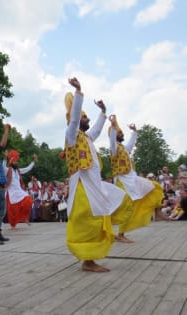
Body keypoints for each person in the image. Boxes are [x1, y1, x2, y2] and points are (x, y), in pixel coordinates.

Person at [64, 77, 127, 272]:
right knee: (90, 221)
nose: (87, 120)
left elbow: (98, 130)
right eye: (85, 117)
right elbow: (74, 119)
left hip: (94, 185)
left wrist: (103, 113)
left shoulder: (87, 137)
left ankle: (89, 259)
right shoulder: (72, 134)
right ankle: (87, 261)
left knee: (101, 216)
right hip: (82, 186)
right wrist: (79, 92)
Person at [108, 115, 164, 242]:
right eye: (120, 133)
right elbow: (112, 141)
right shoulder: (114, 149)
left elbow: (131, 144)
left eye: (122, 132)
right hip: (122, 180)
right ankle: (120, 234)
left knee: (155, 186)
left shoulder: (124, 149)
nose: (122, 134)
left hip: (133, 178)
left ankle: (158, 212)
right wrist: (112, 127)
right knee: (127, 207)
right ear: (114, 134)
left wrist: (134, 132)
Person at [3, 150, 37, 229]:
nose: (16, 163)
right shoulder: (8, 170)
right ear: (11, 162)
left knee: (29, 200)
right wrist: (5, 157)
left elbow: (27, 169)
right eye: (14, 162)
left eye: (16, 161)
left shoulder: (18, 171)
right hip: (11, 192)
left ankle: (25, 217)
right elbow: (3, 166)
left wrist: (33, 161)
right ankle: (13, 225)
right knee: (12, 210)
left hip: (19, 191)